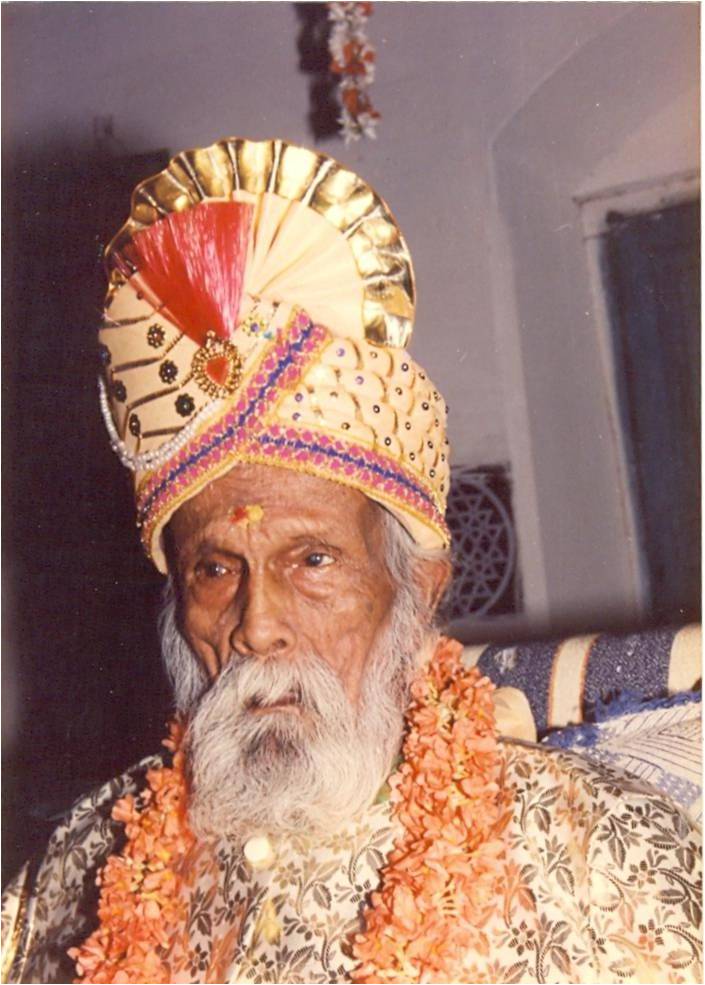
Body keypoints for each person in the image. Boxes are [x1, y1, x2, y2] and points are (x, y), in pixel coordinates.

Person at [2, 138, 701, 985]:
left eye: (312, 559)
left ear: (417, 588)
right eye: (215, 570)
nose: (258, 626)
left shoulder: (599, 859)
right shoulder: (80, 869)